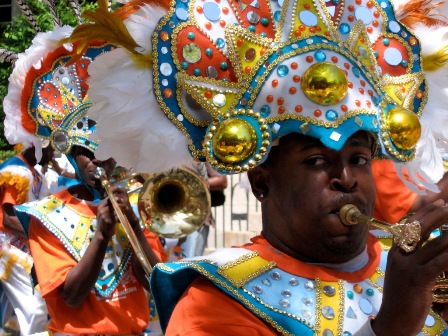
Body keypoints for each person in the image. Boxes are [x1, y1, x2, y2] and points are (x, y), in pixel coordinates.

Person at [62, 0, 448, 334]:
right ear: (261, 181)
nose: (347, 179)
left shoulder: (405, 273)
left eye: (359, 159)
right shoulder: (212, 306)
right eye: (316, 161)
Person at [2, 24, 167, 335]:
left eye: (108, 150)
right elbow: (71, 296)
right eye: (87, 153)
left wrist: (131, 225)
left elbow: (155, 281)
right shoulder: (45, 216)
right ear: (71, 155)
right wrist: (103, 234)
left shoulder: (136, 205)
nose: (99, 161)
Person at [0, 143, 53, 335]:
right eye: (49, 147)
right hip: (7, 247)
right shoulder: (17, 171)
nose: (53, 152)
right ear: (35, 145)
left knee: (10, 313)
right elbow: (9, 219)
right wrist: (42, 237)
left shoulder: (36, 175)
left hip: (23, 245)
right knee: (37, 306)